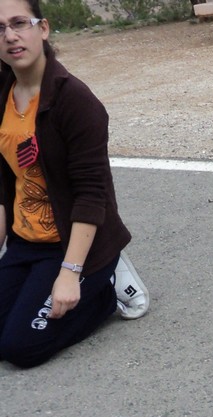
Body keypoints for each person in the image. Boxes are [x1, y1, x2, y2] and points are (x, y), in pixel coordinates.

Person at [0, 0, 149, 369]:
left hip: (74, 246)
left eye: (19, 23)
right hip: (26, 243)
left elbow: (91, 193)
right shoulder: (1, 93)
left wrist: (71, 275)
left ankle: (104, 294)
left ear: (43, 28)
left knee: (20, 347)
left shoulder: (75, 102)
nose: (10, 36)